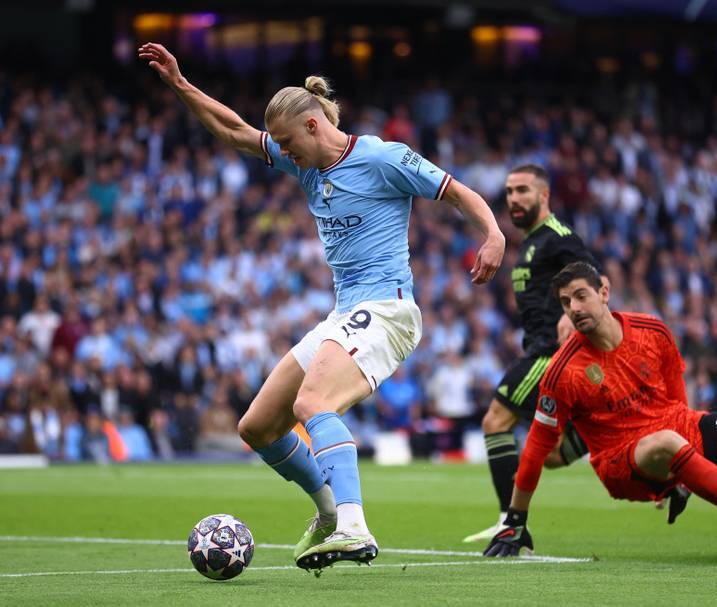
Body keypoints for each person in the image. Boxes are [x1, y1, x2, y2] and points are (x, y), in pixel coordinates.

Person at [139, 42, 505, 571]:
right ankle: (330, 512)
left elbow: (455, 191)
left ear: (313, 126)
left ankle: (355, 527)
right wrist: (180, 84)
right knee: (258, 427)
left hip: (388, 309)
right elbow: (237, 132)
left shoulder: (383, 158)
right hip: (346, 312)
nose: (283, 154)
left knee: (314, 405)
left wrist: (492, 232)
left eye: (288, 143)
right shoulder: (307, 166)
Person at [483, 262, 717, 559]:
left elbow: (679, 405)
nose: (573, 308)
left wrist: (687, 474)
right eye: (565, 302)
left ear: (604, 291)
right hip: (622, 463)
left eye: (580, 295)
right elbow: (536, 450)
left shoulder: (653, 330)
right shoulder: (562, 370)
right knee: (666, 442)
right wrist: (516, 517)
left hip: (676, 431)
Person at [462, 164, 601, 543]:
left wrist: (573, 315)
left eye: (523, 190)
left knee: (496, 420)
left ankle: (510, 522)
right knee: (553, 455)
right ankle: (601, 433)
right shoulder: (530, 243)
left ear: (544, 195)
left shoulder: (557, 237)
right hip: (539, 349)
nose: (513, 199)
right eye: (509, 191)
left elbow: (595, 278)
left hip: (551, 353)